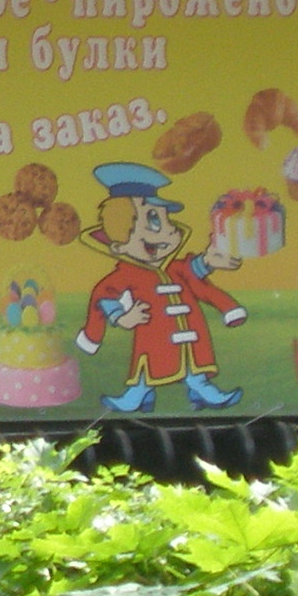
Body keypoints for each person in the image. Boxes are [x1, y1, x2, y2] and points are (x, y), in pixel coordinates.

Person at [72, 162, 246, 412]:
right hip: (154, 335)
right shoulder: (128, 274)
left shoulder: (173, 268)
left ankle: (201, 390)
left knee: (193, 363)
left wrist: (209, 261)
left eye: (166, 220)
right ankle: (136, 396)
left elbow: (193, 271)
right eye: (153, 220)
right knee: (147, 367)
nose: (169, 232)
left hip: (189, 332)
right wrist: (121, 316)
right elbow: (104, 294)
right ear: (120, 245)